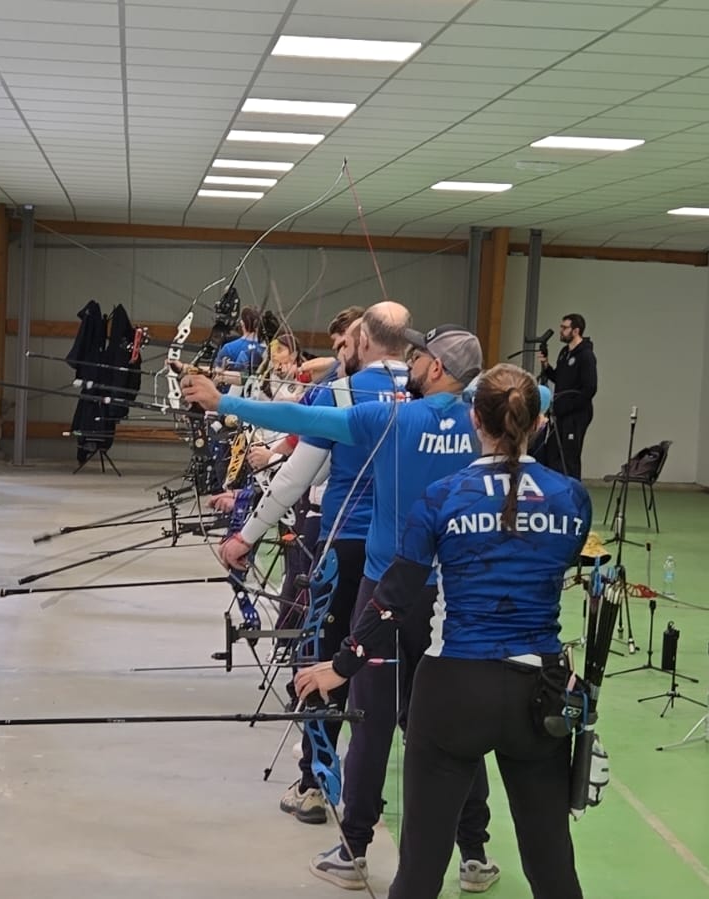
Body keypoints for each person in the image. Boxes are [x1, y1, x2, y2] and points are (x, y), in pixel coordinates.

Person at [181, 321, 499, 893]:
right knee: (450, 723)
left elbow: (307, 421)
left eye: (423, 357)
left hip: (384, 593)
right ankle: (474, 853)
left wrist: (221, 399)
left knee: (372, 720)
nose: (414, 363)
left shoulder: (394, 418)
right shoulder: (482, 419)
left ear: (436, 368)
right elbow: (535, 396)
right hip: (451, 598)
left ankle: (354, 850)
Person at [296, 364, 593, 899]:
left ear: (474, 420)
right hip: (539, 696)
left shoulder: (441, 497)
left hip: (452, 691)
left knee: (419, 873)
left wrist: (341, 667)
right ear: (540, 422)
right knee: (553, 869)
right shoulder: (572, 499)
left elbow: (394, 600)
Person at [218, 309, 402, 827]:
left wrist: (244, 536)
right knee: (407, 677)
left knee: (328, 660)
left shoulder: (341, 394)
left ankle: (315, 785)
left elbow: (298, 476)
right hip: (413, 557)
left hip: (348, 547)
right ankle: (467, 837)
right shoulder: (435, 395)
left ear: (363, 339)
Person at [536, 313, 597, 478]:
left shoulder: (586, 355)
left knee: (569, 457)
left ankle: (573, 492)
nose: (561, 331)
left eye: (565, 328)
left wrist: (567, 405)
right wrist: (547, 366)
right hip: (560, 413)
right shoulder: (564, 352)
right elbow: (560, 379)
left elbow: (590, 388)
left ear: (576, 331)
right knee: (552, 453)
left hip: (576, 415)